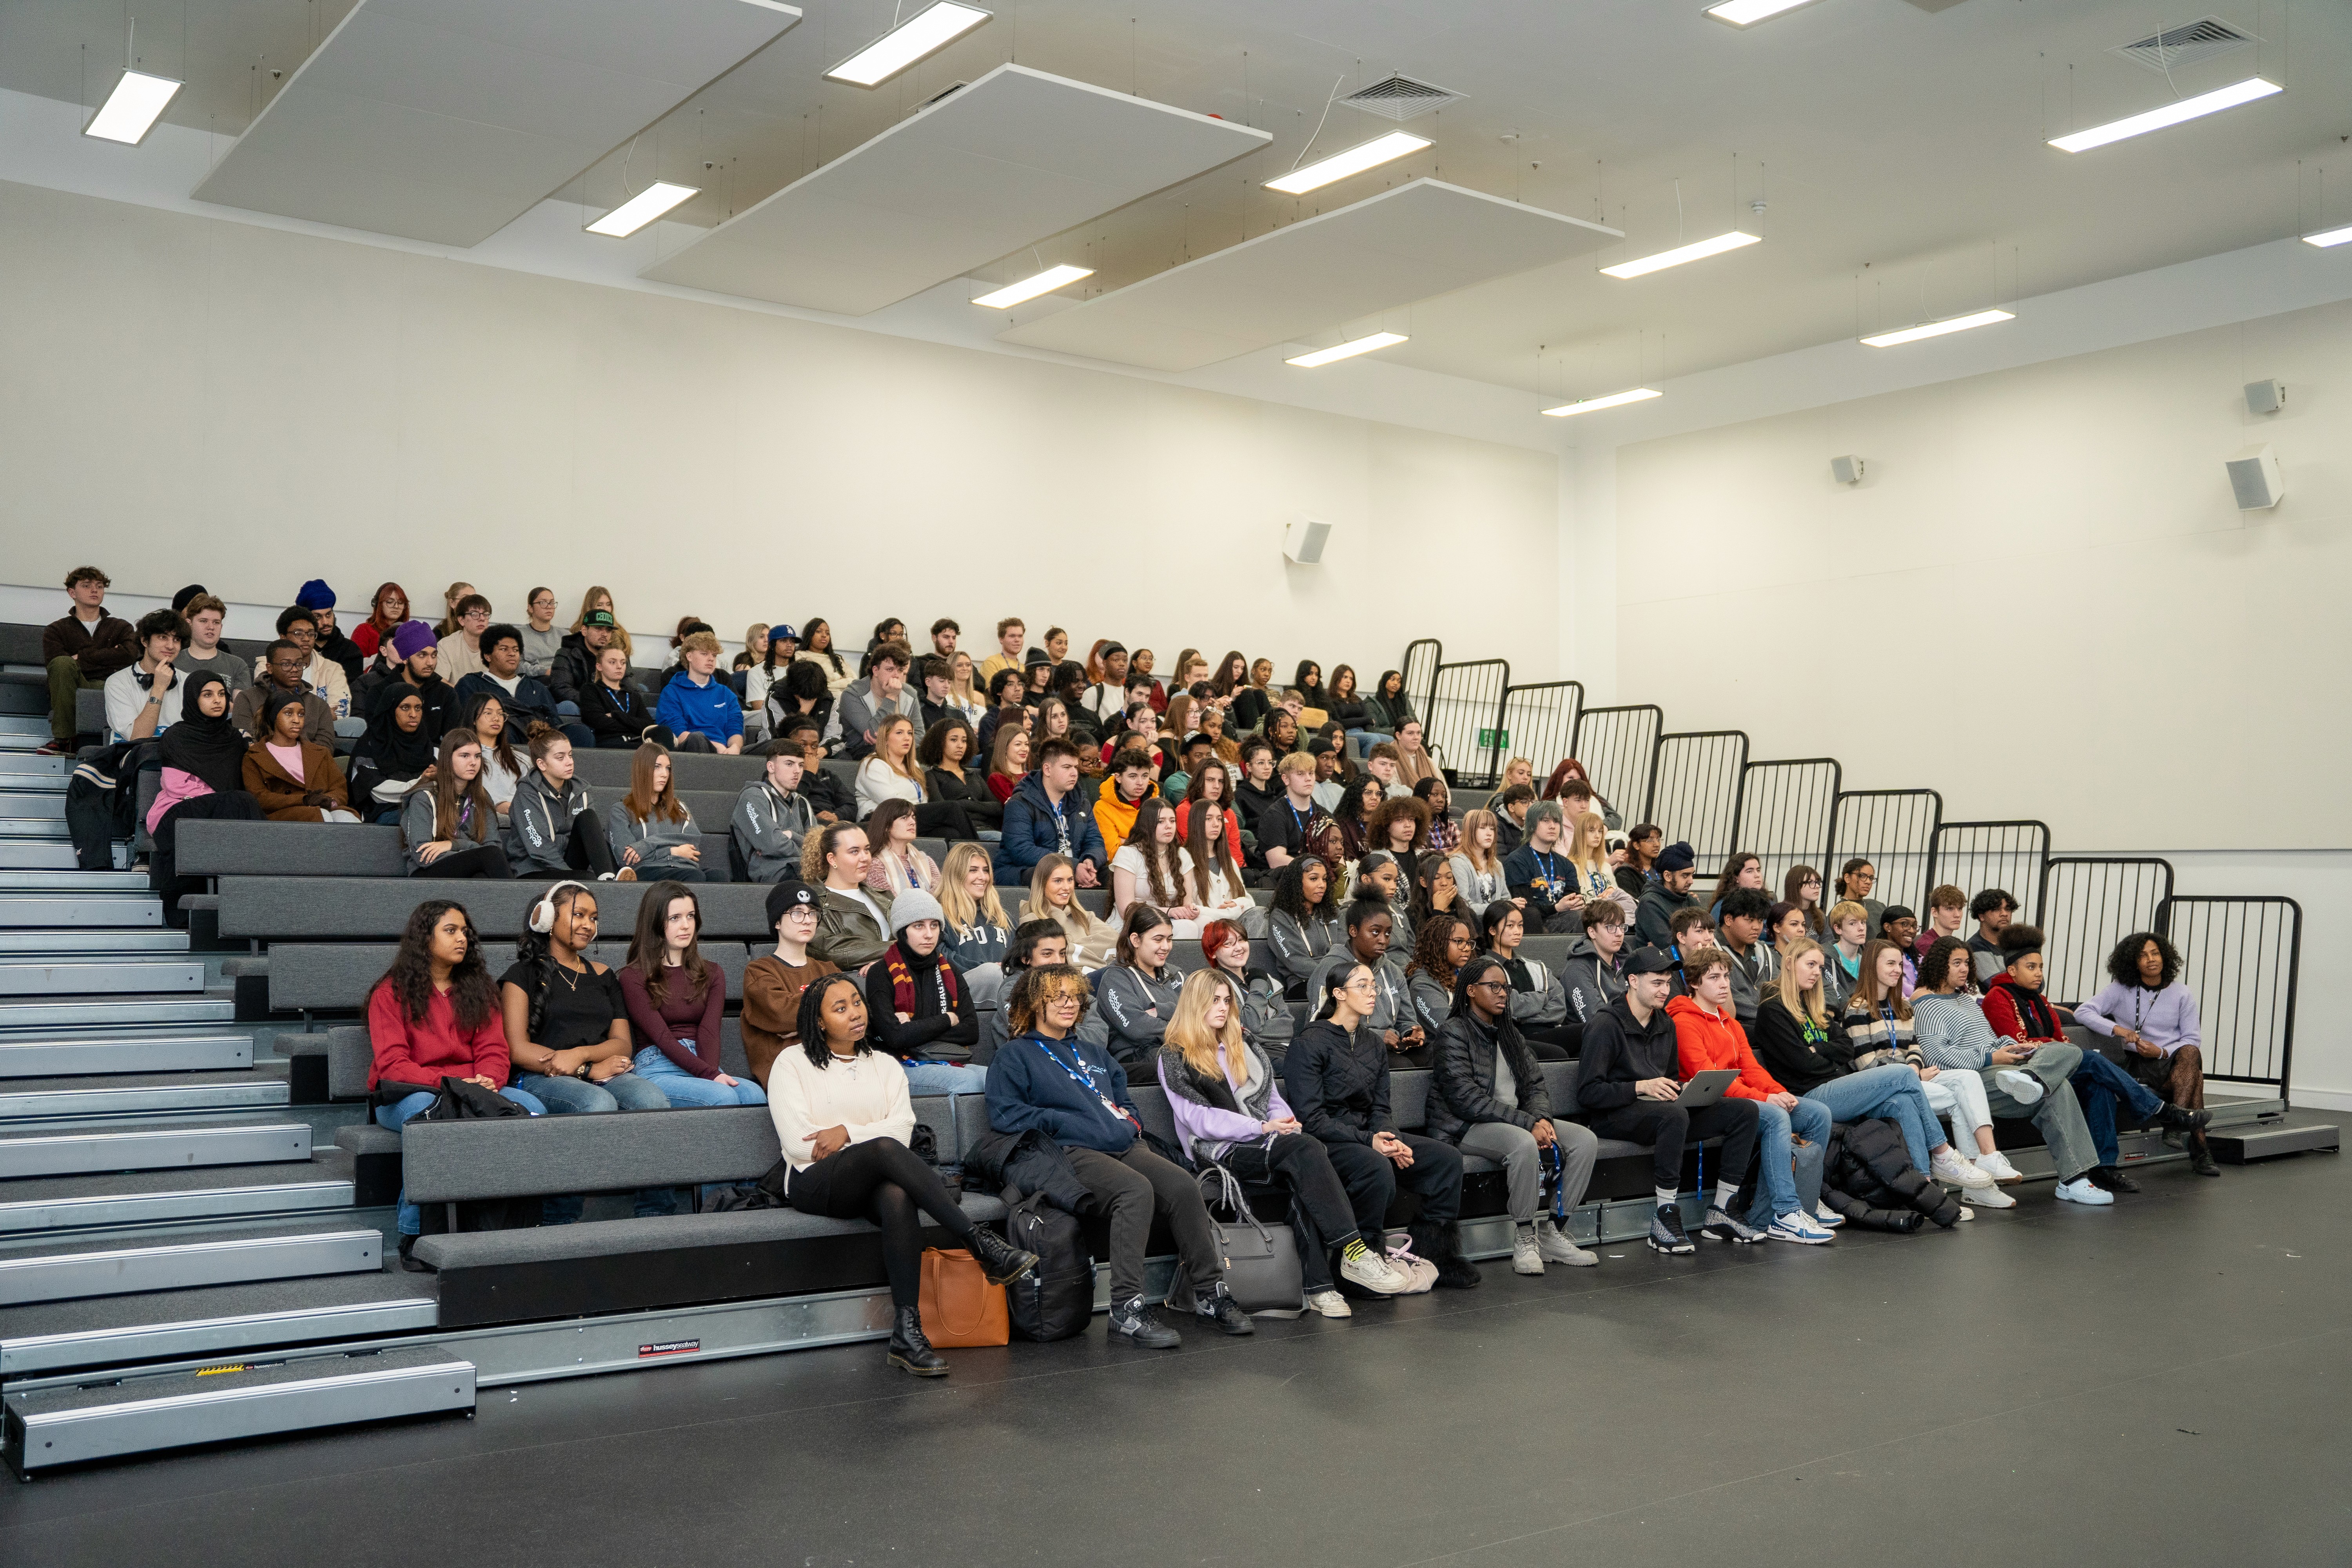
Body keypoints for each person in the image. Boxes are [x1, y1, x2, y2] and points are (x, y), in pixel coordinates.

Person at [778, 972, 1038, 1375]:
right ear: (818, 1021)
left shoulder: (883, 1065)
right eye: (840, 1008)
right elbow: (800, 1144)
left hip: (873, 1178)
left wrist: (846, 1132)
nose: (855, 1013)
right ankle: (979, 1243)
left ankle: (907, 1331)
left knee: (897, 1195)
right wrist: (867, 1138)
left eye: (857, 1002)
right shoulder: (793, 1063)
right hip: (814, 1180)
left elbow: (901, 1131)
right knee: (882, 1149)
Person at [986, 965, 1249, 1347]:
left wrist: (1132, 1122)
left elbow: (1124, 1103)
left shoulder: (1094, 1053)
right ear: (1034, 1002)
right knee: (1135, 1191)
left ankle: (1209, 1293)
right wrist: (1067, 1122)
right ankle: (1126, 1307)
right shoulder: (1015, 1055)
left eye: (1074, 995)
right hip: (1068, 1153)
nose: (1068, 1003)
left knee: (1181, 1185)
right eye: (1056, 996)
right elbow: (1007, 1115)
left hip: (1124, 1145)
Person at [1157, 969, 1413, 1315]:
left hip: (1265, 1141)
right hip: (1219, 1152)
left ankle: (1321, 1288)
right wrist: (1262, 1128)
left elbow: (1272, 1097)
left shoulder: (1243, 1044)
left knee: (1306, 1162)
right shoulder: (1175, 1055)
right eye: (1213, 1001)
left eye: (1227, 1000)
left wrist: (1287, 1124)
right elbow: (1200, 1121)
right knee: (1307, 1152)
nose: (1222, 1007)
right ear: (1193, 1004)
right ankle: (1354, 1252)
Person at [370, 902, 547, 1264]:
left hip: (470, 1086)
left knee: (534, 1110)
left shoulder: (478, 989)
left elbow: (495, 1051)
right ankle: (414, 1232)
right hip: (409, 1094)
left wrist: (488, 1080)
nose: (462, 938)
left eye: (465, 931)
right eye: (450, 931)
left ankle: (511, 1226)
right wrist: (454, 1083)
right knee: (435, 1118)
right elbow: (392, 1065)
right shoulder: (390, 993)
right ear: (425, 938)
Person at [494, 881, 674, 1226]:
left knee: (652, 1099)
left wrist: (580, 1056)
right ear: (548, 918)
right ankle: (561, 1218)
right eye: (578, 914)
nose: (588, 925)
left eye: (594, 918)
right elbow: (517, 1048)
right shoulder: (521, 975)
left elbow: (622, 1044)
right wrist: (585, 1069)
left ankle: (656, 1214)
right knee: (596, 1104)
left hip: (597, 1070)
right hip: (539, 1077)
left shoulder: (604, 975)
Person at [1980, 925, 2209, 1193]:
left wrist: (2058, 1047)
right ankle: (2162, 1111)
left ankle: (2105, 1169)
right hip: (2024, 1073)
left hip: (2057, 1066)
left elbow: (2059, 1039)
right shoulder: (1997, 997)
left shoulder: (2040, 1000)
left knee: (2099, 1083)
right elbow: (2017, 1043)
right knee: (2088, 1060)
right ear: (2012, 970)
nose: (2039, 973)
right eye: (2031, 967)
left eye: (2041, 967)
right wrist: (2059, 1046)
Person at [1574, 947, 1763, 1255]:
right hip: (1613, 1116)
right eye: (1657, 983)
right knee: (1673, 1116)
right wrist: (1639, 1087)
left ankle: (1722, 1210)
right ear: (1633, 981)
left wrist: (1683, 1088)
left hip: (1661, 1112)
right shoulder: (1605, 1025)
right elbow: (1589, 1093)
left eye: (1667, 983)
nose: (1665, 990)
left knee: (1744, 1111)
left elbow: (1670, 1077)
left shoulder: (1665, 1024)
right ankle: (1664, 1216)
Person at [1912, 934, 2120, 1207]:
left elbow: (1991, 1038)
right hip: (1973, 1077)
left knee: (2069, 1051)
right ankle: (2074, 1180)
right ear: (1940, 966)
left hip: (2002, 1068)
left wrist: (2013, 1047)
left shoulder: (1967, 1000)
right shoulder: (1928, 1005)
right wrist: (1990, 1058)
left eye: (1967, 963)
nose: (1964, 969)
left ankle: (2032, 1077)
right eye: (1956, 963)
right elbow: (1936, 1056)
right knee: (2058, 1087)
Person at [1429, 955, 1600, 1272]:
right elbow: (1466, 1100)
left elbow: (1535, 1085)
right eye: (1493, 986)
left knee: (1585, 1141)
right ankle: (1524, 1236)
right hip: (1465, 1126)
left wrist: (1543, 1119)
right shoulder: (1453, 1033)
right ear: (1470, 991)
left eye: (1505, 987)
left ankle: (1554, 1232)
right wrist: (1529, 1123)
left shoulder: (1510, 1034)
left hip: (1514, 1119)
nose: (1503, 993)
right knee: (1523, 1144)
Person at [1665, 949, 1837, 1243]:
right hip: (1708, 1105)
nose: (1724, 984)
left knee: (1817, 1113)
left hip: (1742, 1099)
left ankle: (1793, 1207)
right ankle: (1785, 1212)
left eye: (1727, 977)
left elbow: (1751, 1068)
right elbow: (1711, 1080)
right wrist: (1766, 1100)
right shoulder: (1684, 1022)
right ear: (1694, 983)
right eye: (1714, 978)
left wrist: (1777, 1091)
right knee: (1774, 1115)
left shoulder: (1729, 1023)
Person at [1834, 938, 2014, 1197]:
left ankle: (1986, 1162)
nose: (1898, 969)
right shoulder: (1857, 1009)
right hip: (1879, 1088)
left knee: (1967, 1078)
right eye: (1890, 964)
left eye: (1900, 964)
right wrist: (1913, 1073)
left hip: (1912, 1078)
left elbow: (1915, 1048)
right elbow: (1867, 1065)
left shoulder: (1904, 1007)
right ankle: (1975, 1183)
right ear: (1872, 967)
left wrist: (1914, 1069)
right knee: (1957, 1100)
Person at [2075, 931, 2219, 1177]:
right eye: (2143, 956)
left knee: (2190, 1052)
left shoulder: (2182, 993)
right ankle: (2200, 1150)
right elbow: (2083, 1012)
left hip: (2170, 1061)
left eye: (2155, 953)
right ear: (2133, 962)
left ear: (2165, 957)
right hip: (2136, 1063)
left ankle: (2175, 1126)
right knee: (2195, 1078)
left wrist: (2161, 1052)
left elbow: (2192, 1038)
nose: (2151, 959)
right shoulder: (2120, 990)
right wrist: (2118, 1030)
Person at [143, 672, 266, 912]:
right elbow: (177, 786)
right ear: (192, 699)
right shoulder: (177, 736)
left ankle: (248, 895)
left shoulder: (233, 738)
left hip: (221, 812)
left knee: (241, 804)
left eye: (222, 694)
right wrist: (218, 799)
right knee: (240, 803)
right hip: (175, 812)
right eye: (208, 695)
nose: (217, 701)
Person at [852, 887, 988, 1094]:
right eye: (919, 926)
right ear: (902, 931)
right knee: (968, 1082)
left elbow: (971, 1032)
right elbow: (895, 1037)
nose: (929, 934)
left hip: (945, 1060)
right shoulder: (881, 972)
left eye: (934, 925)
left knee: (996, 1079)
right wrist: (948, 1019)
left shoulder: (950, 971)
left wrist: (914, 1028)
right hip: (899, 1066)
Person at [740, 882, 837, 1089]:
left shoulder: (829, 970)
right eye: (797, 913)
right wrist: (825, 1018)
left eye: (813, 914)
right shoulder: (759, 971)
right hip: (789, 1077)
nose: (807, 921)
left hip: (833, 1069)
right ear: (777, 922)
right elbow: (783, 1014)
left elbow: (852, 1018)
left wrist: (802, 1024)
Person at [1305, 898, 1423, 1066]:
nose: (1383, 940)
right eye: (1375, 932)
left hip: (1389, 1045)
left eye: (1388, 933)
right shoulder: (1332, 968)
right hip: (1344, 1049)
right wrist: (1378, 1036)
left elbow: (1407, 1018)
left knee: (1435, 1057)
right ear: (1353, 931)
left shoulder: (1392, 970)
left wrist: (1411, 1032)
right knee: (1403, 1067)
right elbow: (1323, 1024)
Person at [507, 730, 624, 880]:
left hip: (568, 863)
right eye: (560, 758)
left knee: (587, 817)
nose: (569, 762)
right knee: (587, 880)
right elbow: (539, 846)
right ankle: (604, 883)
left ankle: (608, 877)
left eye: (570, 755)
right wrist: (569, 877)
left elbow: (588, 838)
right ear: (542, 764)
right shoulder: (527, 793)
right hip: (535, 868)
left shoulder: (581, 790)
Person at [41, 565, 135, 750]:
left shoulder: (121, 627)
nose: (95, 590)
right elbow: (58, 666)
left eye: (99, 586)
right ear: (72, 592)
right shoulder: (56, 630)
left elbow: (128, 656)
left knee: (97, 681)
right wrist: (108, 657)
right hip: (72, 686)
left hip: (111, 685)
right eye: (86, 586)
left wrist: (81, 658)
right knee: (62, 664)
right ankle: (64, 739)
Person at [403, 728, 510, 878]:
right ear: (448, 759)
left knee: (483, 876)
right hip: (427, 870)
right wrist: (471, 848)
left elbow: (495, 846)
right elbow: (422, 854)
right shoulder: (424, 796)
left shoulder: (482, 797)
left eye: (478, 756)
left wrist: (453, 844)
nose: (473, 762)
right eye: (465, 756)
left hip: (468, 865)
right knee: (489, 856)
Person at [457, 623, 586, 748]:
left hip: (539, 745)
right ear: (488, 656)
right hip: (495, 746)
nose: (512, 654)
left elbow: (554, 724)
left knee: (580, 733)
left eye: (516, 650)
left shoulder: (537, 687)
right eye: (504, 649)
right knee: (506, 729)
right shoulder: (471, 684)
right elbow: (465, 726)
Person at [998, 738, 1106, 887]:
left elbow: (1096, 842)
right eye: (1067, 767)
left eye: (1075, 767)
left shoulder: (1082, 803)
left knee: (1112, 874)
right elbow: (1022, 850)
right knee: (1051, 875)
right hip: (1024, 872)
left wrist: (1090, 861)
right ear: (1047, 769)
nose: (1075, 773)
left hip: (1073, 868)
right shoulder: (1020, 803)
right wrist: (1073, 867)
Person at [1477, 901, 1577, 1058]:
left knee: (1591, 1033)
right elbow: (1509, 1006)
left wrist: (1523, 1017)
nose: (1517, 931)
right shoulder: (1485, 967)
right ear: (1492, 930)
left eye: (1521, 925)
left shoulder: (1536, 967)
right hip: (1514, 1036)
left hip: (1546, 1031)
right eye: (1510, 926)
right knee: (1558, 1054)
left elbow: (1559, 1007)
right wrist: (1542, 997)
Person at [242, 688, 358, 821]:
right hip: (282, 816)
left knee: (347, 818)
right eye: (288, 714)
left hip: (323, 809)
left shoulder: (320, 752)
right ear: (273, 717)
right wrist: (303, 800)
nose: (296, 720)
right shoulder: (254, 756)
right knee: (322, 816)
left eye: (301, 714)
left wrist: (330, 800)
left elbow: (339, 788)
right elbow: (259, 798)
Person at [1096, 904, 1184, 1069]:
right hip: (1135, 1057)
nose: (1166, 947)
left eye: (1169, 939)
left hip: (1175, 1048)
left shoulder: (1176, 974)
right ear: (1136, 940)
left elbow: (1202, 1011)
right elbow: (1138, 1029)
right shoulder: (1116, 978)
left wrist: (1161, 1011)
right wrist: (1186, 1023)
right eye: (1158, 940)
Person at [607, 742, 706, 883]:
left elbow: (692, 845)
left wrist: (647, 845)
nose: (665, 774)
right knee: (696, 877)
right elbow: (627, 860)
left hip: (683, 868)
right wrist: (673, 852)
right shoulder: (620, 810)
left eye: (668, 768)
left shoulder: (680, 807)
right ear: (642, 770)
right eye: (657, 767)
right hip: (646, 872)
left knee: (719, 876)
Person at [800, 820, 893, 967]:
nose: (865, 858)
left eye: (867, 850)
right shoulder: (813, 904)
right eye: (854, 851)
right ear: (832, 859)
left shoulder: (885, 896)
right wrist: (901, 949)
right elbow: (829, 951)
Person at [347, 686, 438, 824]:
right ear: (390, 709)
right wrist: (419, 784)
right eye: (405, 708)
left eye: (418, 708)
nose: (414, 714)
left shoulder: (428, 746)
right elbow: (377, 791)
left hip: (428, 807)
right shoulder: (370, 745)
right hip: (385, 811)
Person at [730, 747, 817, 884]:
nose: (797, 771)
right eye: (789, 764)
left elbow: (818, 846)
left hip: (805, 868)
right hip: (772, 871)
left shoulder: (802, 803)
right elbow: (773, 845)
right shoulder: (752, 797)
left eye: (801, 765)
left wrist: (791, 835)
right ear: (771, 767)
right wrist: (808, 852)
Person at [1021, 852, 1119, 971]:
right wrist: (1093, 953)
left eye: (1070, 880)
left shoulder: (1084, 916)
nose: (1067, 887)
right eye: (1058, 881)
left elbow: (1114, 942)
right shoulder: (1031, 920)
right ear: (1042, 884)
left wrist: (1071, 950)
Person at [100, 609, 186, 744]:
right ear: (145, 641)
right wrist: (159, 688)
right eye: (163, 637)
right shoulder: (117, 683)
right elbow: (139, 737)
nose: (171, 646)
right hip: (133, 758)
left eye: (176, 640)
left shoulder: (188, 681)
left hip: (178, 759)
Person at [1267, 853, 1344, 998]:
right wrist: (1335, 978)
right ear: (1297, 883)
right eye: (1314, 879)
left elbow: (1345, 951)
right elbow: (1297, 962)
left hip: (1341, 981)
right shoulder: (1281, 917)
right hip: (1303, 984)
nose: (1322, 885)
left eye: (1325, 879)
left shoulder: (1334, 913)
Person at [232, 640, 337, 745]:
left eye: (299, 664)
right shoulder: (247, 699)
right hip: (261, 760)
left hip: (307, 761)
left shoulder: (319, 705)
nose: (295, 669)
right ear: (270, 668)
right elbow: (248, 742)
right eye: (286, 664)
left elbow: (325, 747)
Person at [654, 631, 743, 755]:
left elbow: (735, 729)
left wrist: (735, 748)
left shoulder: (726, 693)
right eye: (704, 654)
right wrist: (716, 747)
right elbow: (677, 733)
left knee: (773, 747)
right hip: (691, 752)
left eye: (714, 655)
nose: (711, 659)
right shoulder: (672, 692)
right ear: (689, 657)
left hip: (726, 751)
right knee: (697, 738)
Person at [1110, 797, 1190, 928]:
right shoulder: (1128, 854)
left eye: (1172, 821)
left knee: (1205, 922)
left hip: (1171, 921)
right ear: (1147, 825)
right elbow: (1127, 911)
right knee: (1188, 927)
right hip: (1134, 925)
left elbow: (1186, 904)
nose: (1169, 826)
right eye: (1161, 821)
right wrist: (1169, 912)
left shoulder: (1183, 855)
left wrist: (1190, 910)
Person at [831, 642, 919, 760]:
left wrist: (888, 742)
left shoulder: (909, 694)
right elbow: (873, 733)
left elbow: (919, 734)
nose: (896, 676)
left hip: (902, 752)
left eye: (900, 671)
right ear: (876, 671)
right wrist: (891, 697)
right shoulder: (852, 694)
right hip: (863, 754)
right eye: (890, 669)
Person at [938, 843, 1013, 981]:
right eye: (973, 870)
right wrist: (987, 970)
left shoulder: (1004, 918)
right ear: (956, 874)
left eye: (986, 871)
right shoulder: (939, 917)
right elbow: (943, 960)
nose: (983, 877)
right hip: (963, 992)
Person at [1713, 887, 1780, 1028]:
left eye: (1760, 921)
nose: (1757, 927)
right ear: (1729, 919)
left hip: (1768, 1023)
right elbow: (1724, 997)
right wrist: (1769, 1017)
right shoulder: (1711, 951)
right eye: (1750, 920)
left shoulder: (1764, 950)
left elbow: (1778, 988)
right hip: (1733, 1025)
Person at [919, 719, 1000, 834]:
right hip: (962, 833)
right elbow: (944, 810)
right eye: (954, 740)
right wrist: (982, 810)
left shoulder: (974, 775)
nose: (960, 746)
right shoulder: (932, 776)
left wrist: (965, 804)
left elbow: (997, 807)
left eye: (964, 741)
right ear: (939, 743)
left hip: (988, 829)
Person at [1404, 911, 1476, 1039]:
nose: (1467, 948)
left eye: (1469, 942)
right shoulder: (1421, 986)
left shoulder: (1464, 976)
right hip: (1440, 1051)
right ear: (1439, 943)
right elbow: (1449, 1027)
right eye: (1459, 941)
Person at [1561, 896, 1630, 1025]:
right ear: (1592, 932)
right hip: (1592, 1038)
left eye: (1621, 926)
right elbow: (1595, 1020)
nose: (1620, 933)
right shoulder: (1576, 969)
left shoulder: (1628, 962)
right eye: (1611, 927)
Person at [579, 644, 662, 750]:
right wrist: (633, 725)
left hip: (636, 741)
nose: (619, 666)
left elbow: (647, 726)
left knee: (662, 735)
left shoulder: (632, 694)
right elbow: (599, 722)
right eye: (612, 662)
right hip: (608, 745)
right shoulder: (591, 690)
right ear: (599, 667)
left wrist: (617, 715)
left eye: (623, 663)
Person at [173, 594, 252, 700]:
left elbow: (241, 708)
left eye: (216, 622)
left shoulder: (237, 665)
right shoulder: (173, 662)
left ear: (221, 626)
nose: (211, 627)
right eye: (204, 621)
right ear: (189, 624)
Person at [459, 693, 524, 819]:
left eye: (501, 714)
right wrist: (498, 805)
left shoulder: (521, 759)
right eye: (488, 713)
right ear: (473, 719)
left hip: (520, 815)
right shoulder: (461, 755)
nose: (496, 718)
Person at [862, 799, 940, 897]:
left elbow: (941, 894)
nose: (913, 822)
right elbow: (891, 903)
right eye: (904, 818)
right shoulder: (875, 865)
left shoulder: (926, 860)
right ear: (886, 826)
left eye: (913, 817)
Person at [1633, 839, 1699, 952]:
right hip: (1657, 967)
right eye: (1685, 876)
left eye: (1692, 875)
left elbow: (1709, 937)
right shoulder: (1650, 903)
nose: (1691, 881)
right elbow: (1670, 947)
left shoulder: (1691, 901)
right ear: (1668, 876)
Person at [1093, 747, 1158, 858]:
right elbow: (1113, 852)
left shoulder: (1157, 804)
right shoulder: (1102, 808)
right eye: (1133, 776)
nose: (1140, 782)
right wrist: (1148, 843)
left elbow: (1166, 846)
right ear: (1118, 778)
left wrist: (1125, 842)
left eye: (1145, 776)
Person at [1822, 899, 1873, 1010]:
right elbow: (1836, 999)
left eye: (1863, 922)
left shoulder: (1868, 957)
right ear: (1838, 929)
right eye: (1853, 923)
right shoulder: (1826, 957)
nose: (1861, 928)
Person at [435, 593, 491, 684]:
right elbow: (441, 682)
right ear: (461, 620)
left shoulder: (496, 644)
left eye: (486, 615)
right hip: (457, 696)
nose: (482, 619)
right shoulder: (446, 645)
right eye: (475, 614)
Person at [1968, 889, 2018, 982]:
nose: (2004, 914)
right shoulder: (1974, 947)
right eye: (1996, 910)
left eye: (2008, 909)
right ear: (1982, 916)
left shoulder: (2017, 944)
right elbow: (1996, 983)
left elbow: (2038, 984)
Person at [351, 583, 410, 662]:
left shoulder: (410, 632)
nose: (396, 607)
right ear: (378, 604)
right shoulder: (363, 630)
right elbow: (355, 665)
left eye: (401, 603)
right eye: (390, 602)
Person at [794, 618, 854, 697]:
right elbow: (812, 684)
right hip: (820, 700)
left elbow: (854, 681)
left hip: (845, 698)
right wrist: (838, 679)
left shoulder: (837, 659)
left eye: (827, 633)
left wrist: (829, 685)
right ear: (809, 635)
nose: (824, 636)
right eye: (819, 632)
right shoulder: (800, 656)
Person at [1706, 853, 1765, 924]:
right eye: (1750, 871)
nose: (1757, 875)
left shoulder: (1769, 903)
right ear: (1736, 878)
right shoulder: (1723, 907)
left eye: (1758, 870)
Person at [1615, 822, 1663, 900]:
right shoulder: (1625, 873)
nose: (1657, 844)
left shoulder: (1662, 868)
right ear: (1637, 845)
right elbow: (1632, 903)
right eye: (1650, 840)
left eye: (1658, 839)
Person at [1835, 858, 1884, 932]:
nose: (1869, 882)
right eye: (1862, 876)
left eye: (1871, 878)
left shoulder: (1879, 906)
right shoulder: (1839, 911)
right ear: (1847, 878)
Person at [1783, 865, 1828, 938]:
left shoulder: (1820, 916)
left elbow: (1828, 944)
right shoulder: (1783, 914)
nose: (1817, 886)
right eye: (1811, 883)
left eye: (1818, 882)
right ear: (1796, 886)